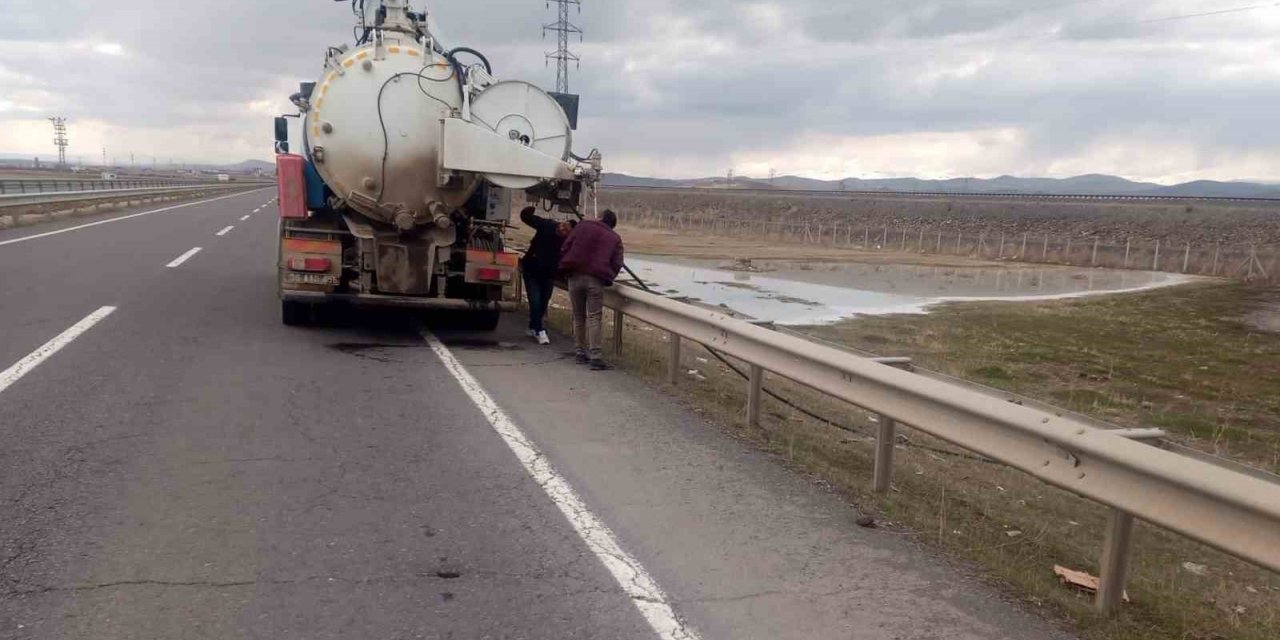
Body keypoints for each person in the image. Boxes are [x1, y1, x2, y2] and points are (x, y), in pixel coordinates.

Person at [558, 209, 624, 370]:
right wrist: (608, 277)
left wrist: (566, 268)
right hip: (596, 280)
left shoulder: (582, 226)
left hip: (574, 276)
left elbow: (566, 246)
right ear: (612, 225)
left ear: (600, 217)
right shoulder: (614, 238)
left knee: (578, 316)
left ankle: (580, 352)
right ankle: (595, 357)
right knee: (594, 317)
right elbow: (617, 262)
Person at [519, 206, 574, 345]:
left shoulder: (568, 243)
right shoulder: (546, 225)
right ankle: (540, 331)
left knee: (543, 302)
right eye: (563, 225)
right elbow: (526, 218)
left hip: (548, 274)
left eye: (566, 230)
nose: (562, 229)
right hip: (532, 269)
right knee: (535, 300)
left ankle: (533, 326)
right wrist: (528, 211)